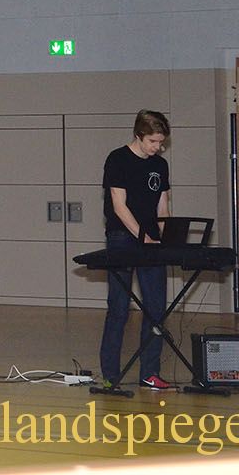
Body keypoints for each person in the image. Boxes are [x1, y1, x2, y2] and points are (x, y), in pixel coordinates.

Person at [99, 109, 173, 391]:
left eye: (161, 142)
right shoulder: (117, 159)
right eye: (153, 141)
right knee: (119, 308)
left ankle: (150, 372)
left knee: (156, 309)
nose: (158, 147)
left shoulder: (160, 166)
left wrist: (166, 239)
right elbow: (119, 206)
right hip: (122, 238)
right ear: (139, 135)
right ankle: (111, 375)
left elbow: (162, 207)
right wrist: (142, 237)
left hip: (151, 241)